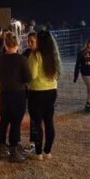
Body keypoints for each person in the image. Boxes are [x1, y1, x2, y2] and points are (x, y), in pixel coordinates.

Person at [0, 32, 32, 162]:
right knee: (15, 123)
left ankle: (2, 150)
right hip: (18, 94)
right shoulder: (22, 59)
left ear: (5, 45)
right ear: (17, 44)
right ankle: (14, 151)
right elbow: (28, 78)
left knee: (3, 121)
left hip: (3, 94)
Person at [28, 30, 61, 161]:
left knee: (36, 123)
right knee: (49, 122)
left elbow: (32, 75)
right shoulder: (54, 55)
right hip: (52, 91)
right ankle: (48, 151)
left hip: (37, 92)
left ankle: (38, 153)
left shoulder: (35, 55)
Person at [74, 38, 90, 113]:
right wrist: (75, 76)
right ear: (87, 43)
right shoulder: (81, 53)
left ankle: (89, 106)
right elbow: (77, 65)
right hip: (85, 73)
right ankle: (89, 106)